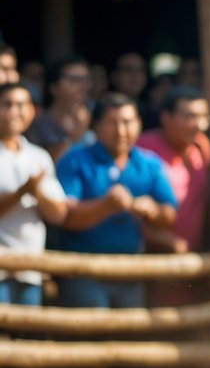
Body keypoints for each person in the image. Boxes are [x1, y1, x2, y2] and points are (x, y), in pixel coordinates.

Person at [54, 92, 177, 308]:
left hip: (130, 272)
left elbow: (169, 215)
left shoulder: (149, 164)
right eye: (113, 123)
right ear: (97, 125)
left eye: (128, 122)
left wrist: (153, 210)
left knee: (129, 337)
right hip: (82, 271)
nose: (121, 131)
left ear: (139, 124)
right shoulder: (75, 159)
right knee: (90, 334)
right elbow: (65, 216)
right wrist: (105, 206)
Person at [0, 82, 68, 304]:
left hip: (32, 268)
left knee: (29, 335)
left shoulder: (39, 157)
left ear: (32, 111)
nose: (14, 112)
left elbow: (58, 214)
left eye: (21, 105)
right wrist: (23, 191)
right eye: (7, 104)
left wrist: (36, 191)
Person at [136, 86, 210, 254]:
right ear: (166, 118)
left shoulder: (202, 146)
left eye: (204, 117)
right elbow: (130, 208)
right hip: (150, 260)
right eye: (190, 117)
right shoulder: (143, 149)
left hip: (193, 259)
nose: (199, 125)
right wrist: (167, 241)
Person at [27, 55, 93, 162]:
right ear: (53, 87)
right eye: (75, 80)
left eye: (87, 79)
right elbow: (39, 165)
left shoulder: (98, 117)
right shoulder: (37, 123)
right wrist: (74, 138)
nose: (84, 86)